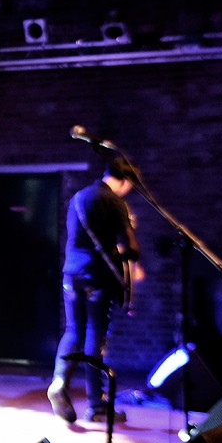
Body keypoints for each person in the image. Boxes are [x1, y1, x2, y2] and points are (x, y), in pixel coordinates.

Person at [47, 156, 144, 424]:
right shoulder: (115, 202)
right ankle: (96, 405)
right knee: (95, 335)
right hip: (98, 277)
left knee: (73, 330)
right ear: (125, 181)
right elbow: (131, 248)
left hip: (72, 273)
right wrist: (129, 247)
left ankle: (59, 381)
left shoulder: (79, 197)